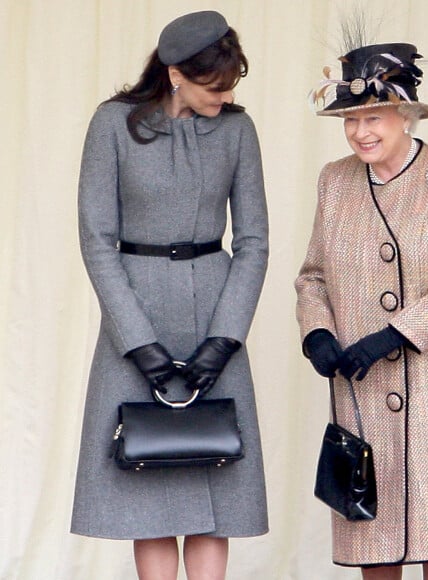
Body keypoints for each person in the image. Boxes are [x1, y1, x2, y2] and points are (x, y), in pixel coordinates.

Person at [70, 11, 268, 580]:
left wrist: (226, 337)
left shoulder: (238, 130)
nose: (226, 95)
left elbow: (254, 241)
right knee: (147, 488)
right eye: (216, 85)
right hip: (133, 315)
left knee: (215, 488)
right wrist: (138, 344)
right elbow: (96, 239)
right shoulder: (112, 124)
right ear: (176, 73)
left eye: (232, 83)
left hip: (216, 312)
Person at [295, 39, 428, 580]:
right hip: (359, 387)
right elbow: (312, 275)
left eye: (375, 116)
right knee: (373, 533)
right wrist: (317, 332)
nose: (362, 131)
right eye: (351, 119)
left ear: (405, 113)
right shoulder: (335, 181)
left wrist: (393, 336)